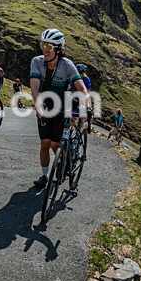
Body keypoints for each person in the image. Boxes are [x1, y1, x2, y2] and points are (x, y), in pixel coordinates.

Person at [30, 28, 88, 189]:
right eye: (43, 46)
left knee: (55, 144)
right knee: (44, 143)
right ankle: (44, 175)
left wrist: (87, 106)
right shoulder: (36, 61)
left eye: (48, 47)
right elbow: (34, 88)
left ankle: (65, 160)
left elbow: (82, 88)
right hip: (46, 103)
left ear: (58, 49)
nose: (44, 50)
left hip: (63, 104)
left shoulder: (67, 65)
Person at [70, 63, 93, 130]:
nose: (80, 74)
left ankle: (80, 130)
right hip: (74, 97)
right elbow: (68, 88)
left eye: (81, 73)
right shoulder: (73, 77)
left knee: (82, 115)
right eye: (78, 72)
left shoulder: (86, 79)